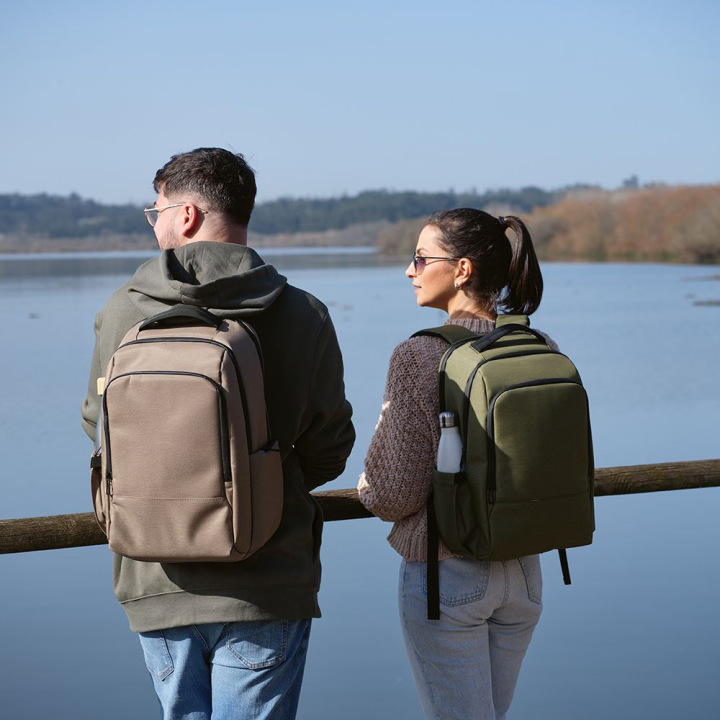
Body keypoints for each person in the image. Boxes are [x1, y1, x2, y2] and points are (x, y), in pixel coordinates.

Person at [81, 147, 355, 720]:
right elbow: (330, 446)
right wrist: (262, 480)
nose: (152, 221)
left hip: (156, 574)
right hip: (268, 577)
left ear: (186, 215)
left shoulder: (121, 312)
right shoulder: (303, 313)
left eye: (154, 210)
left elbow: (98, 428)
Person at [358, 208, 549, 720]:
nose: (409, 270)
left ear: (461, 269)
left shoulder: (419, 355)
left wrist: (365, 484)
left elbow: (393, 493)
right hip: (525, 571)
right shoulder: (536, 344)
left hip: (449, 576)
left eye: (420, 258)